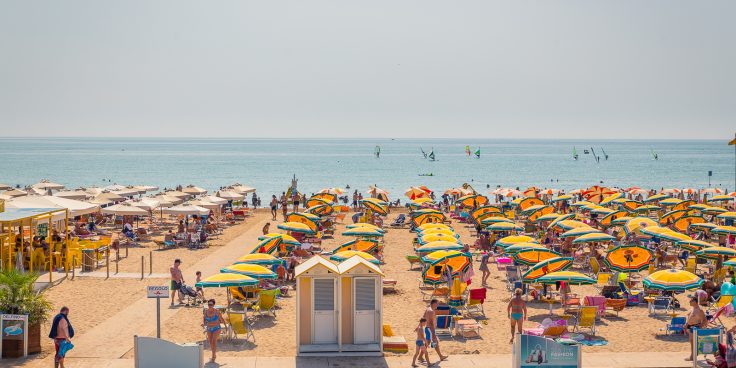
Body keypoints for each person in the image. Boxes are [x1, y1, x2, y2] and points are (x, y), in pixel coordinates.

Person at [685, 297, 708, 361]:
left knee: (694, 342)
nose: (689, 302)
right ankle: (692, 356)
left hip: (695, 327)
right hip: (690, 327)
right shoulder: (693, 308)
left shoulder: (700, 310)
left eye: (690, 301)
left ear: (695, 301)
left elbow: (705, 320)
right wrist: (686, 325)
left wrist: (700, 326)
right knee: (691, 342)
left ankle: (693, 356)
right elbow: (689, 317)